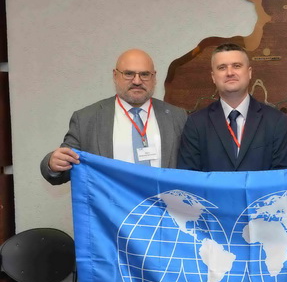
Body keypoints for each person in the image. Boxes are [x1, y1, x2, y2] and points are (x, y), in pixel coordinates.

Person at [41, 49, 187, 184]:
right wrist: (52, 163)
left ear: (154, 77)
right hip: (110, 204)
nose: (137, 81)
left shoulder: (177, 117)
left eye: (144, 74)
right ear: (115, 75)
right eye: (129, 74)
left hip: (162, 203)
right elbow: (64, 164)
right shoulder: (86, 119)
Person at [178, 43, 287, 171]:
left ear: (249, 73)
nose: (230, 73)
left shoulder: (276, 121)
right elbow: (189, 176)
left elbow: (283, 175)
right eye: (222, 67)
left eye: (237, 66)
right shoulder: (196, 123)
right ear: (213, 77)